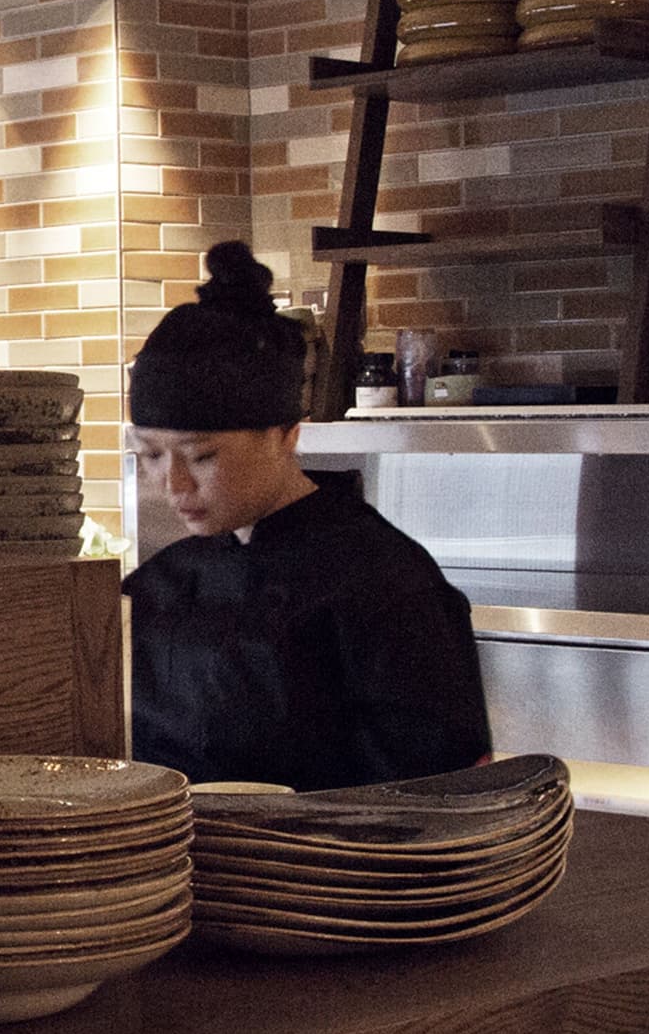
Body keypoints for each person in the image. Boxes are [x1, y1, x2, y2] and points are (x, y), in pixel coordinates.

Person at [123, 242, 491, 791]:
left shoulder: (383, 582)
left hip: (324, 871)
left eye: (202, 456)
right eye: (151, 455)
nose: (172, 484)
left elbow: (436, 796)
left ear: (286, 435)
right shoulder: (158, 584)